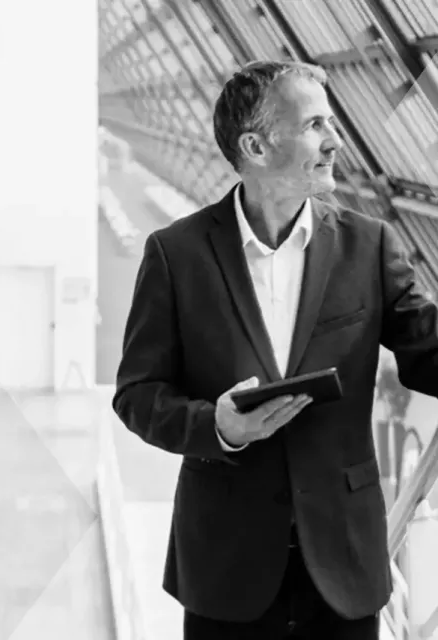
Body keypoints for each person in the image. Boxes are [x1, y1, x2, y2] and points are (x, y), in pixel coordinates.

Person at [112, 60, 438, 639]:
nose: (335, 140)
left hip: (344, 567)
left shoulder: (370, 245)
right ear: (256, 145)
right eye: (315, 125)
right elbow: (137, 396)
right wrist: (220, 427)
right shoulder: (176, 255)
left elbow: (429, 351)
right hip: (225, 567)